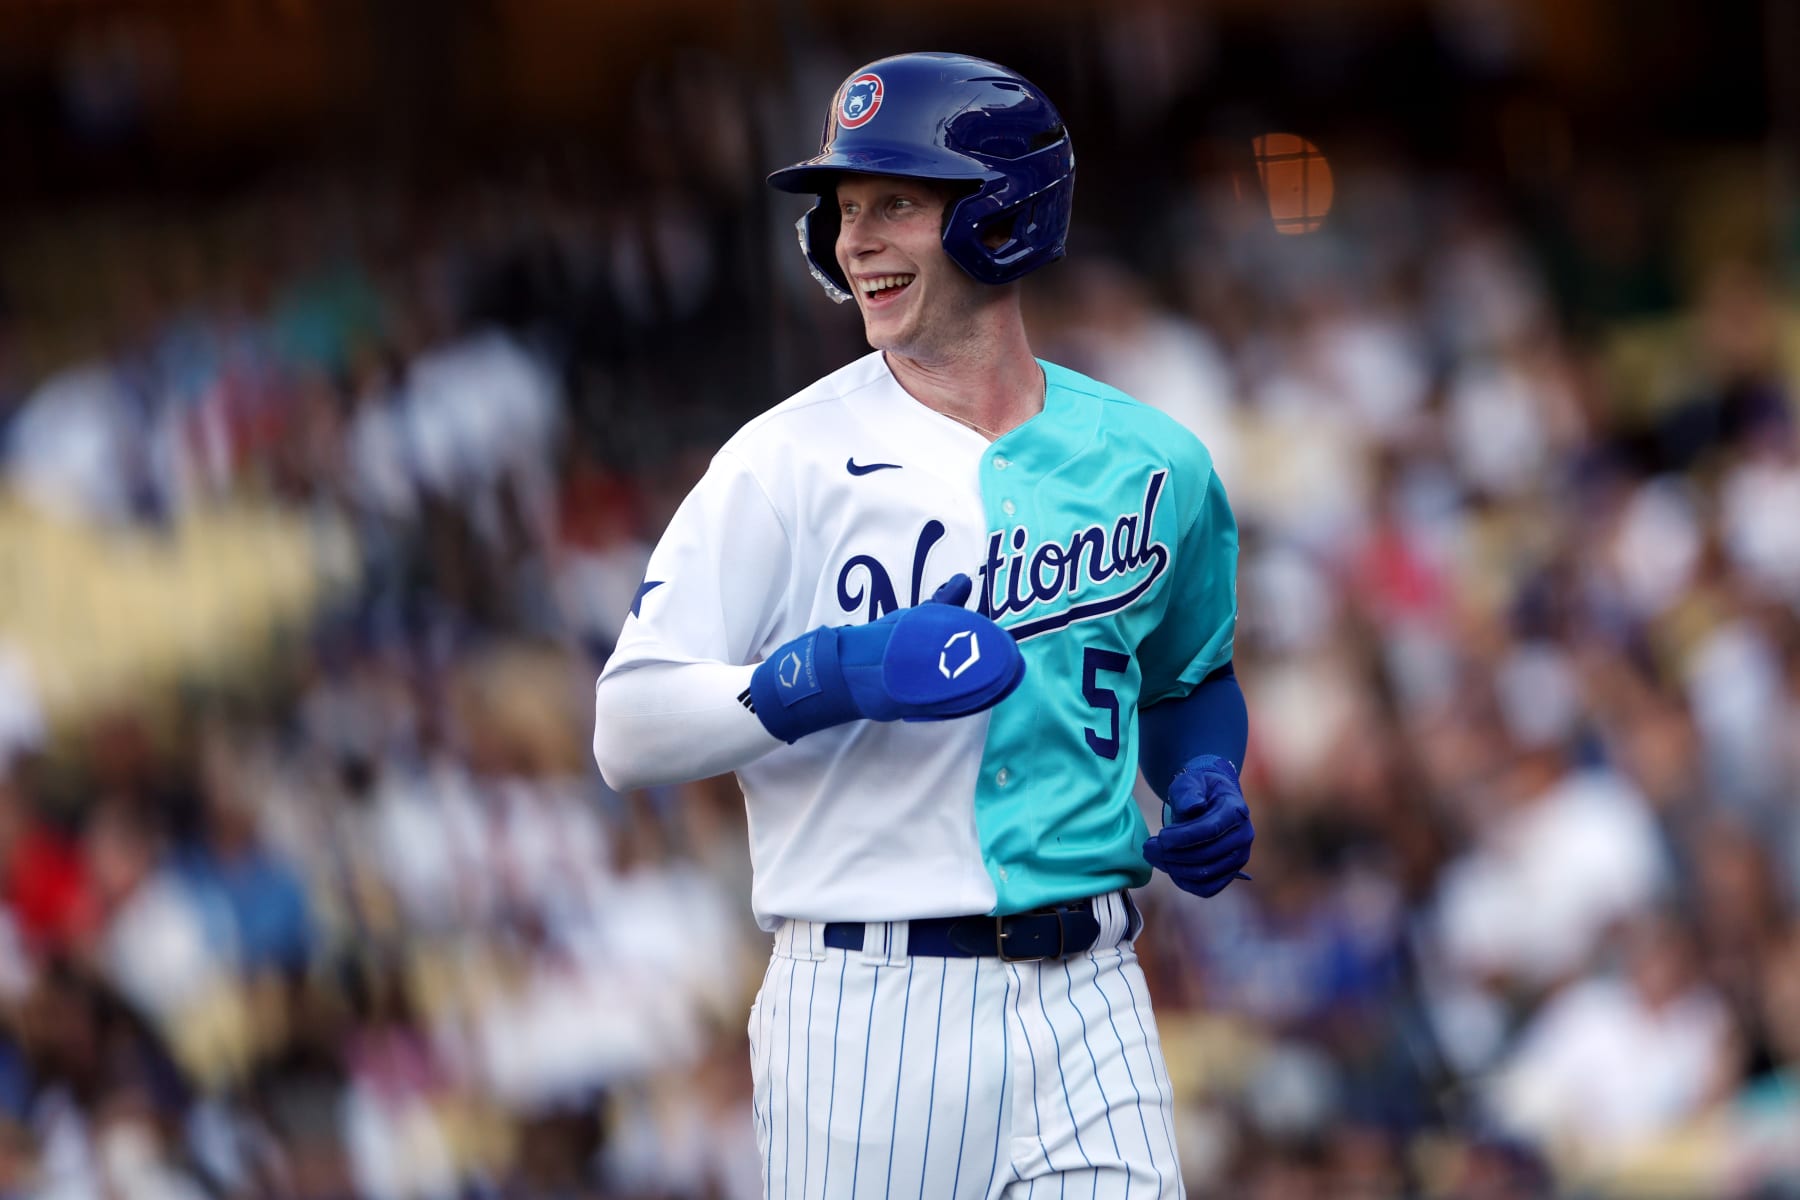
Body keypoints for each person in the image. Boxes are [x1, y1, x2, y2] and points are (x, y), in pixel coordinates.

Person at [593, 51, 1253, 1198]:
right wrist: (831, 672)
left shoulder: (1154, 460)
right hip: (869, 1008)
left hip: (1093, 988)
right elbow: (629, 727)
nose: (853, 241)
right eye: (845, 212)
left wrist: (1205, 775)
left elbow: (1187, 676)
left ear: (1002, 210)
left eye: (895, 202)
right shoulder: (781, 461)